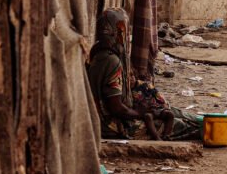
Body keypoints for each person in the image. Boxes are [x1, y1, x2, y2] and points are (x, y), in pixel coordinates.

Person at [87, 8, 204, 142]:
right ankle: (208, 126)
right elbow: (117, 108)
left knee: (170, 111)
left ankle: (203, 120)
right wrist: (140, 114)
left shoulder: (97, 52)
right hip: (110, 125)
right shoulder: (112, 61)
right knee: (186, 126)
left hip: (98, 118)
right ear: (118, 32)